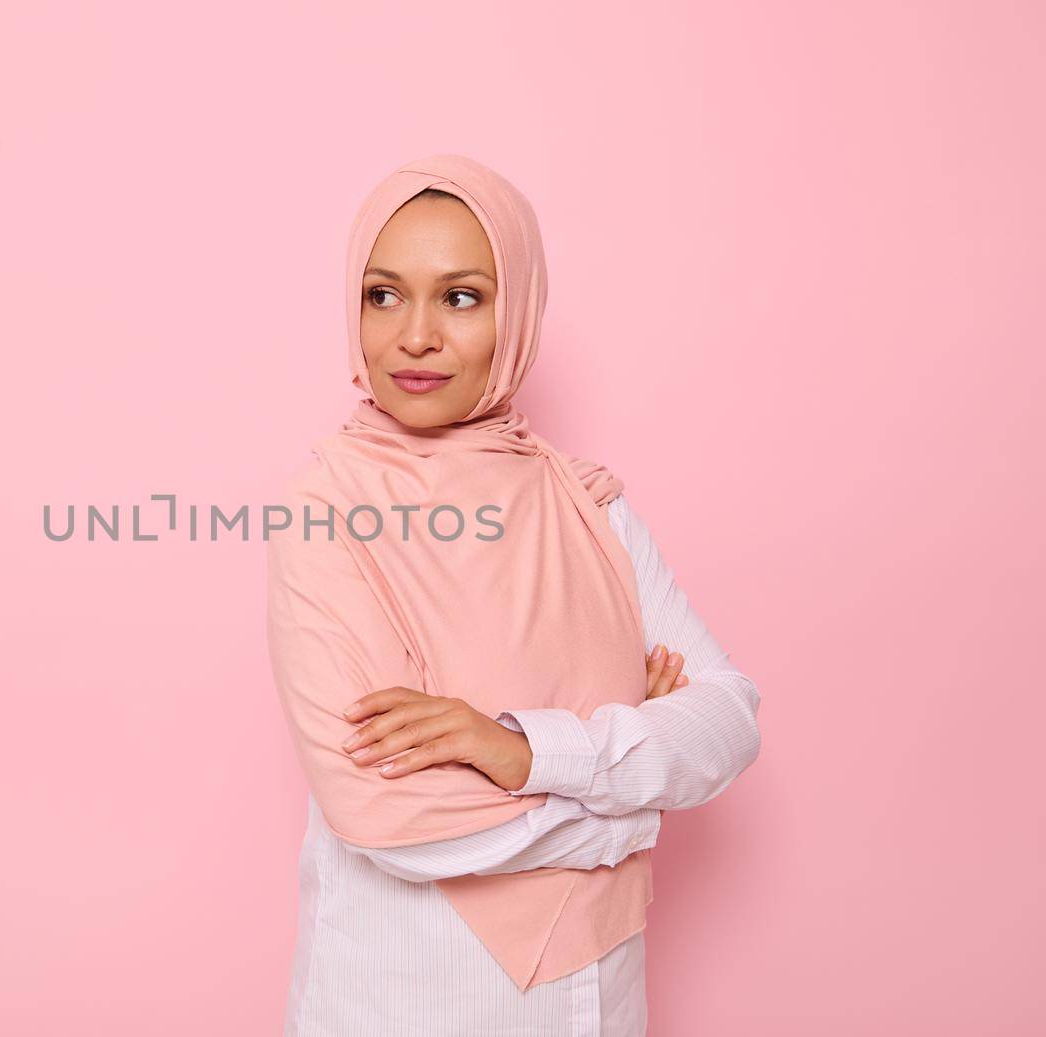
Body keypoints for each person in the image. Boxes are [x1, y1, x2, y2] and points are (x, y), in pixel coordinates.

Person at [265, 154, 762, 1036]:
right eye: (383, 295)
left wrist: (521, 750)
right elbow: (386, 815)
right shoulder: (325, 511)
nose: (414, 336)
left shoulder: (585, 503)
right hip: (402, 1000)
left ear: (517, 314)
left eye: (460, 297)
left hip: (597, 999)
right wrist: (630, 810)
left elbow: (729, 716)